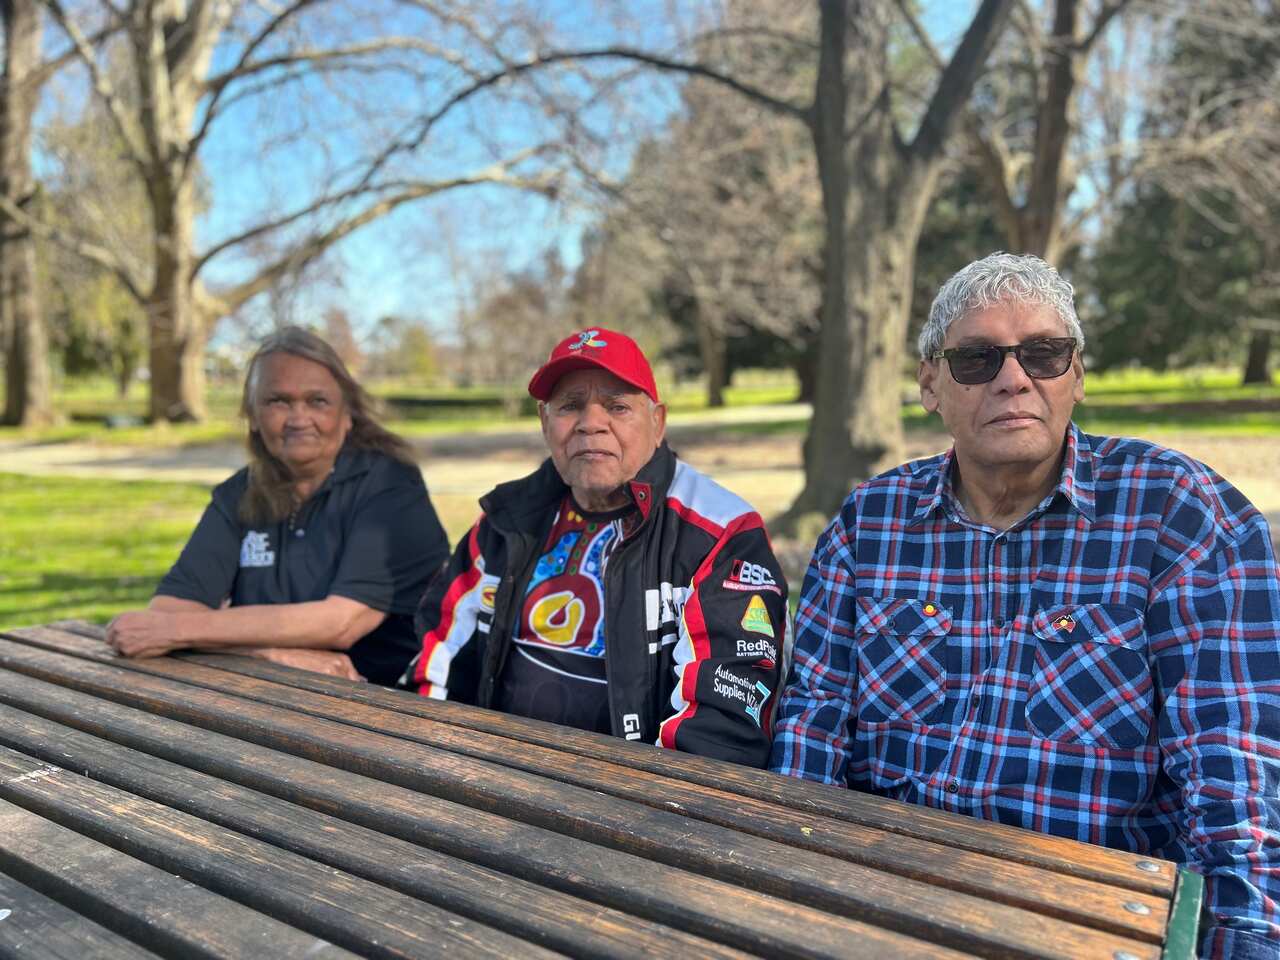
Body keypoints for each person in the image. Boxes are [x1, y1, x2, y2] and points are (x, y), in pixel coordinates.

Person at [769, 253, 1280, 957]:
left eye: (1043, 353)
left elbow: (1234, 762)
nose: (1014, 379)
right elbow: (814, 725)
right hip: (885, 893)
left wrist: (1244, 939)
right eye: (977, 359)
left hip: (1089, 914)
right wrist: (793, 884)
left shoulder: (1179, 515)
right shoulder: (870, 522)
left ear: (1076, 376)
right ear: (929, 384)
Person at [409, 327, 787, 765]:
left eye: (617, 406)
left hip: (636, 793)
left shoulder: (721, 530)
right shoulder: (505, 520)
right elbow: (438, 656)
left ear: (657, 422)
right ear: (544, 422)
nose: (591, 423)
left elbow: (722, 727)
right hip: (492, 768)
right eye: (570, 406)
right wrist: (435, 758)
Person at [106, 326, 450, 686]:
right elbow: (170, 612)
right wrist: (264, 655)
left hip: (391, 706)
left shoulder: (390, 485)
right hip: (275, 695)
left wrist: (183, 633)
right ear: (252, 416)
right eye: (278, 401)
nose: (298, 419)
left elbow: (341, 623)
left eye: (317, 401)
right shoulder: (238, 493)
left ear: (348, 415)